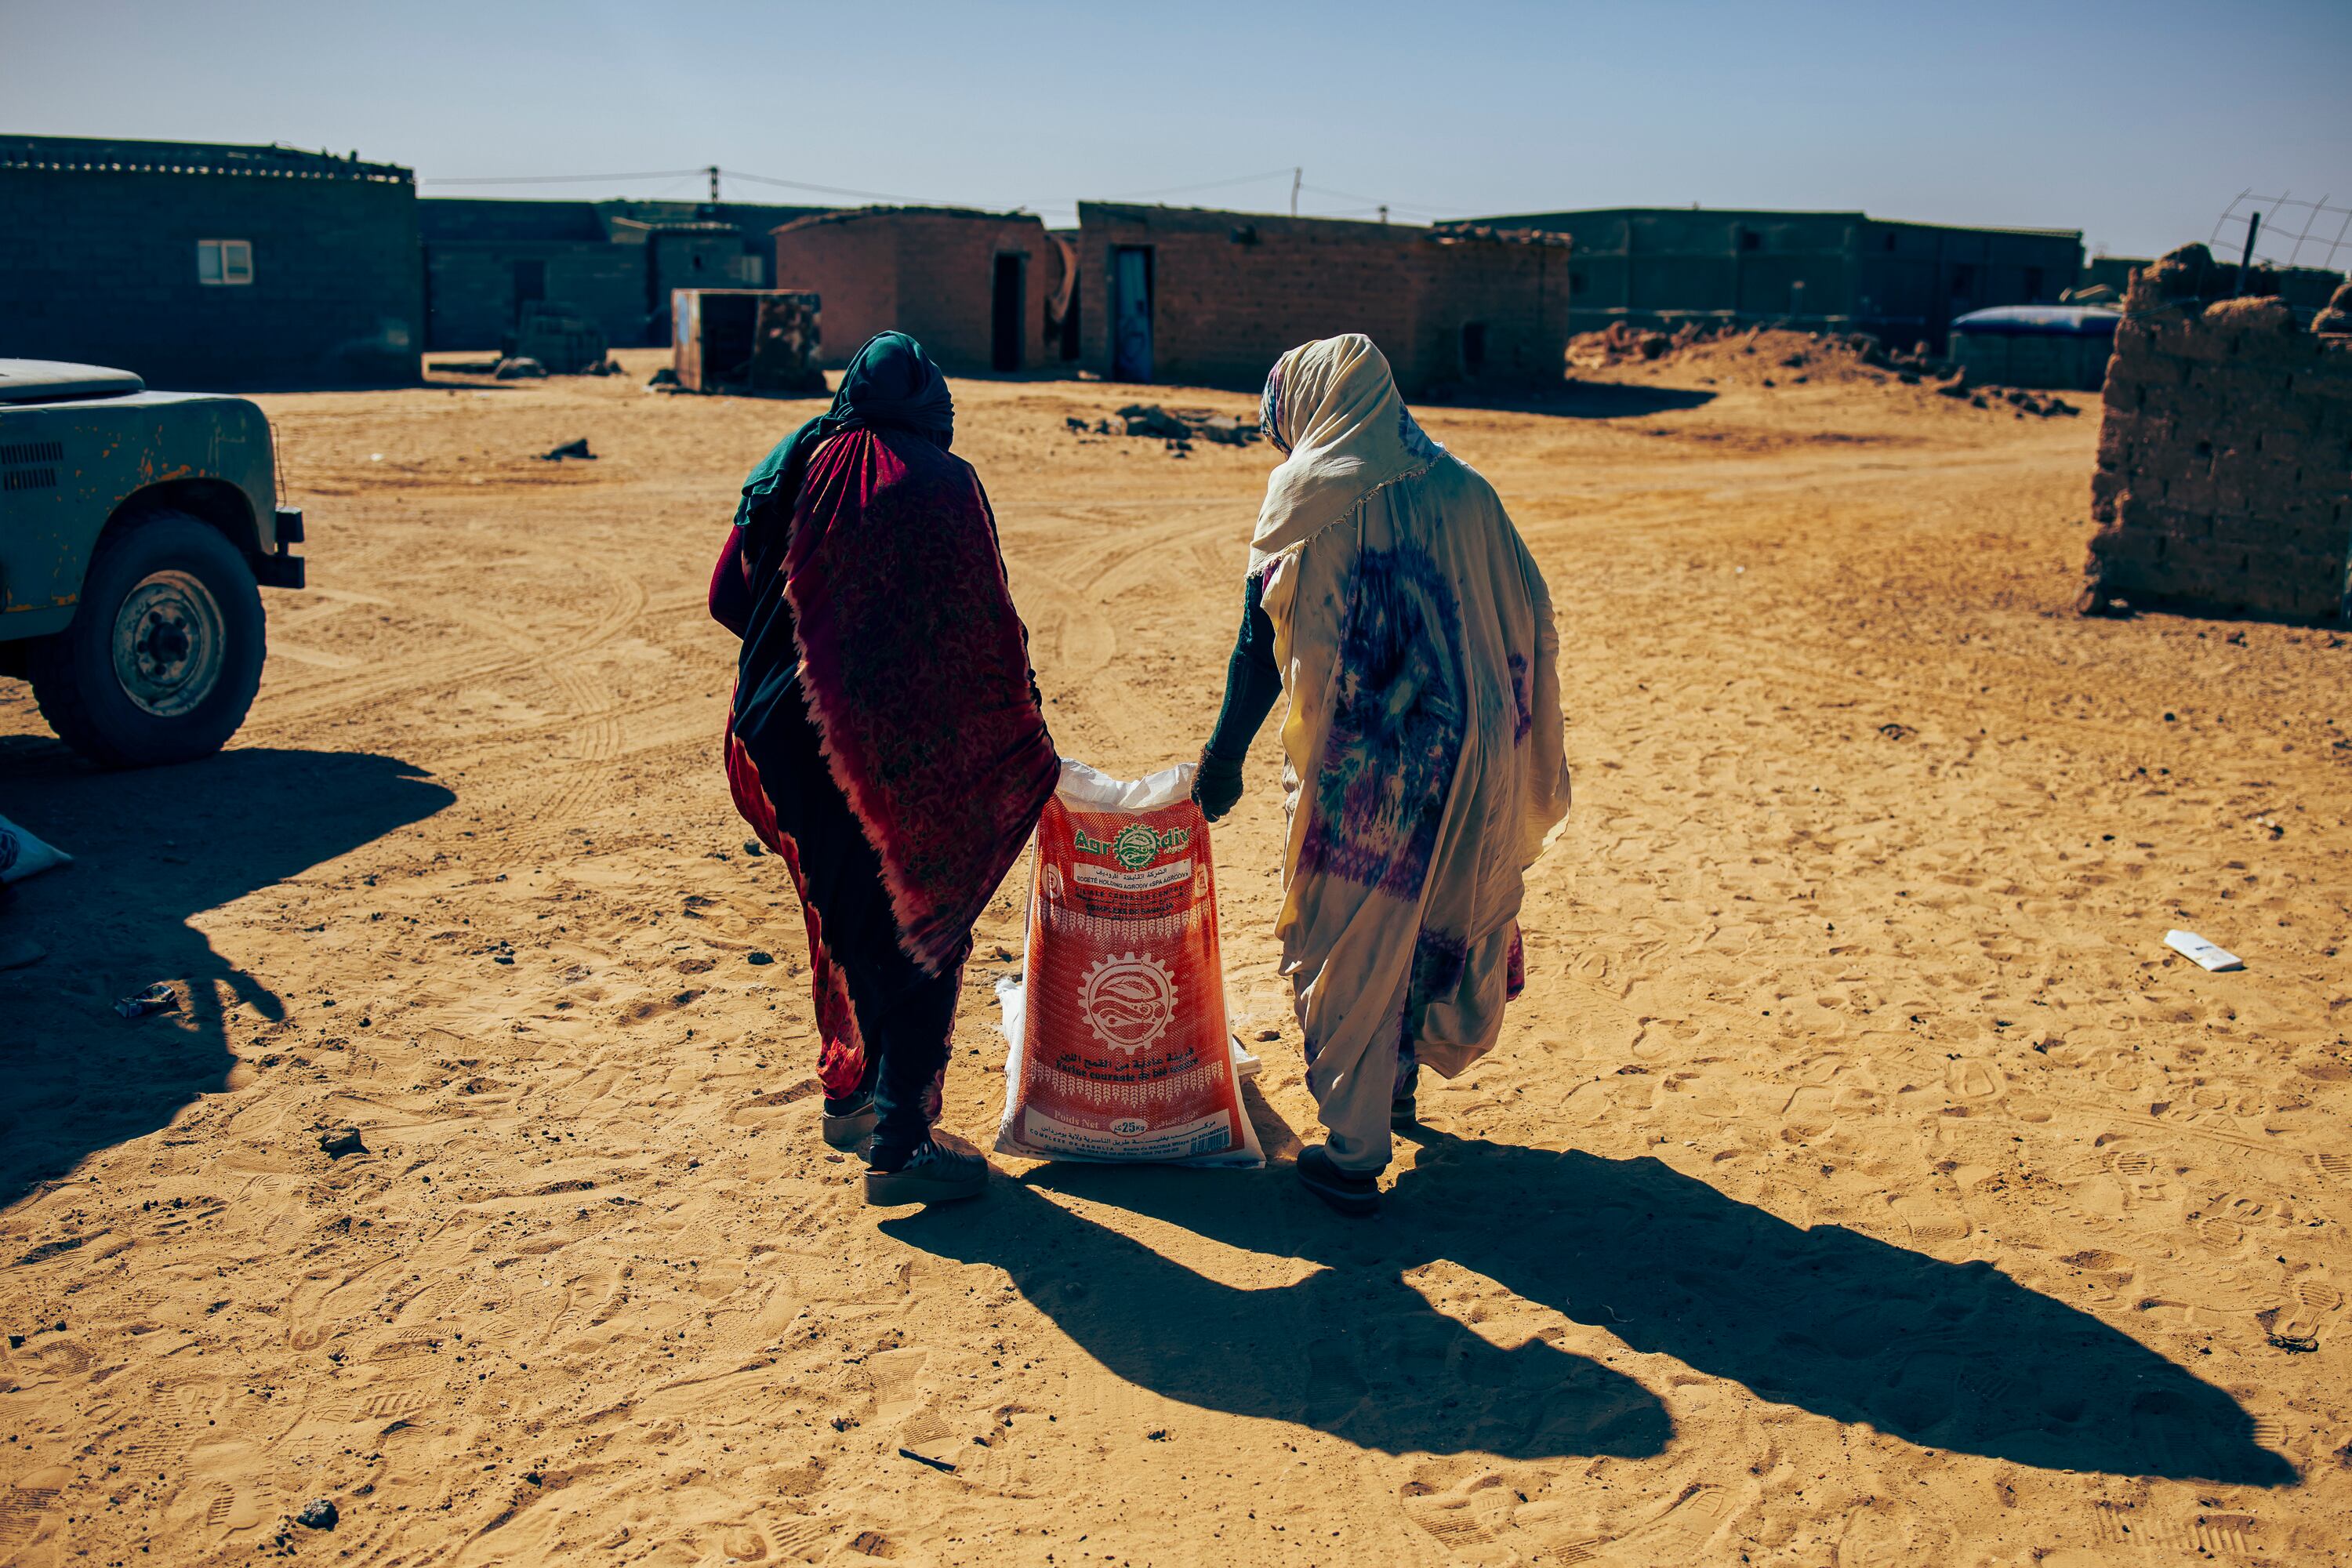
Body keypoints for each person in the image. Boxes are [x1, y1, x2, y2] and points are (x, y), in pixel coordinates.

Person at [1193, 334, 1570, 1217]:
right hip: (1479, 754)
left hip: (1370, 774)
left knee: (1350, 936)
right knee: (1437, 913)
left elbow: (1259, 644)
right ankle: (1395, 1084)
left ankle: (1356, 1152)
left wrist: (1221, 760)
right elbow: (1535, 612)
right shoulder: (1470, 487)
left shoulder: (1312, 493)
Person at [711, 332, 1058, 1206]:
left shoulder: (796, 458)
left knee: (843, 918)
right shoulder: (946, 483)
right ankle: (902, 1147)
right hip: (896, 758)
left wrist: (810, 661)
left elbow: (726, 595)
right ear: (934, 405)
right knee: (921, 920)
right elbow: (985, 625)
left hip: (781, 745)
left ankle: (850, 1095)